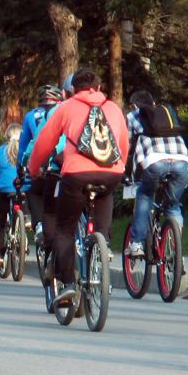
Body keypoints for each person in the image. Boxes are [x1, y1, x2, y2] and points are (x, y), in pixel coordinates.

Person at [29, 68, 129, 301]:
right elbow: (123, 144)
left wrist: (34, 170)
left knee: (65, 228)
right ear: (99, 87)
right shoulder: (113, 108)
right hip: (110, 175)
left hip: (76, 176)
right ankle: (101, 257)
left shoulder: (66, 108)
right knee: (102, 218)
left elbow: (44, 142)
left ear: (73, 89)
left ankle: (67, 283)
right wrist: (119, 168)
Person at [124, 90, 188, 257]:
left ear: (134, 105)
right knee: (173, 206)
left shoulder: (133, 116)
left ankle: (137, 244)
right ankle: (175, 251)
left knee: (145, 195)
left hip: (155, 162)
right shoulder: (167, 113)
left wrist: (126, 173)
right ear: (153, 103)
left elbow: (127, 146)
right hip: (182, 161)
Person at [18, 85, 63, 236]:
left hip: (50, 164)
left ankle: (39, 226)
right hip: (81, 164)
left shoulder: (34, 116)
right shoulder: (73, 111)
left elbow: (28, 145)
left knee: (35, 191)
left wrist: (23, 164)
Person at [0, 123, 30, 268]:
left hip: (5, 190)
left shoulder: (1, 151)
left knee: (0, 220)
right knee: (25, 194)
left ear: (6, 136)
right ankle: (25, 217)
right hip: (22, 188)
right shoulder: (25, 151)